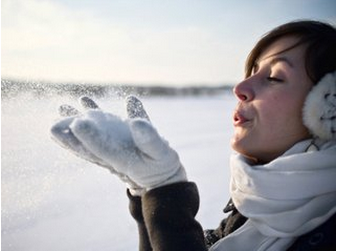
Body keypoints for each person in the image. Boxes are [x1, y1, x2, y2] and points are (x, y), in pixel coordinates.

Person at [51, 20, 335, 251]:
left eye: (274, 77)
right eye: (252, 71)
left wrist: (166, 191)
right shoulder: (252, 212)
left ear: (328, 108)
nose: (241, 87)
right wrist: (146, 194)